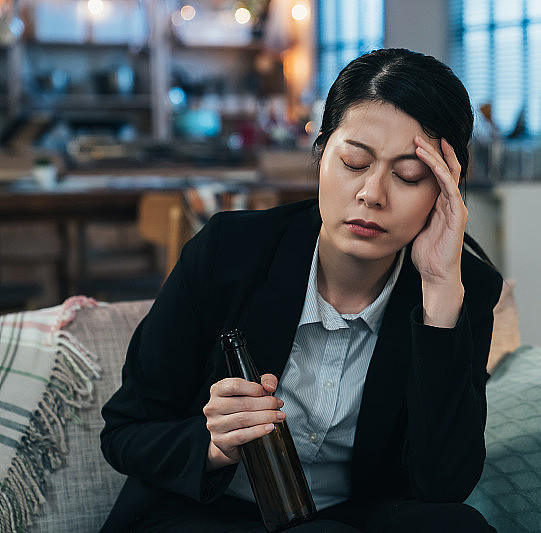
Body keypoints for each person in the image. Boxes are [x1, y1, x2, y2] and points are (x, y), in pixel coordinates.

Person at [100, 48, 503, 532]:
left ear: (446, 189)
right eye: (354, 162)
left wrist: (439, 292)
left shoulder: (463, 290)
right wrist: (214, 444)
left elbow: (442, 485)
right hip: (204, 514)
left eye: (408, 175)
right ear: (320, 153)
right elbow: (126, 431)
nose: (372, 194)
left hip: (349, 518)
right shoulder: (230, 250)